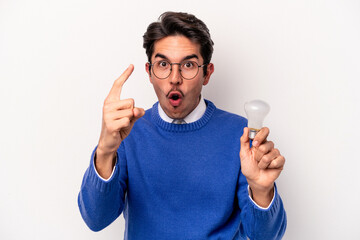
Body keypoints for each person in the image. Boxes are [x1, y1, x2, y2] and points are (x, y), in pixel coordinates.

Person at [78, 11, 287, 240]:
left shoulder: (242, 136)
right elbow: (96, 219)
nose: (174, 78)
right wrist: (105, 151)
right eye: (163, 64)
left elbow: (266, 236)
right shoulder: (127, 132)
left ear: (206, 73)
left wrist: (261, 190)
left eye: (188, 64)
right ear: (149, 72)